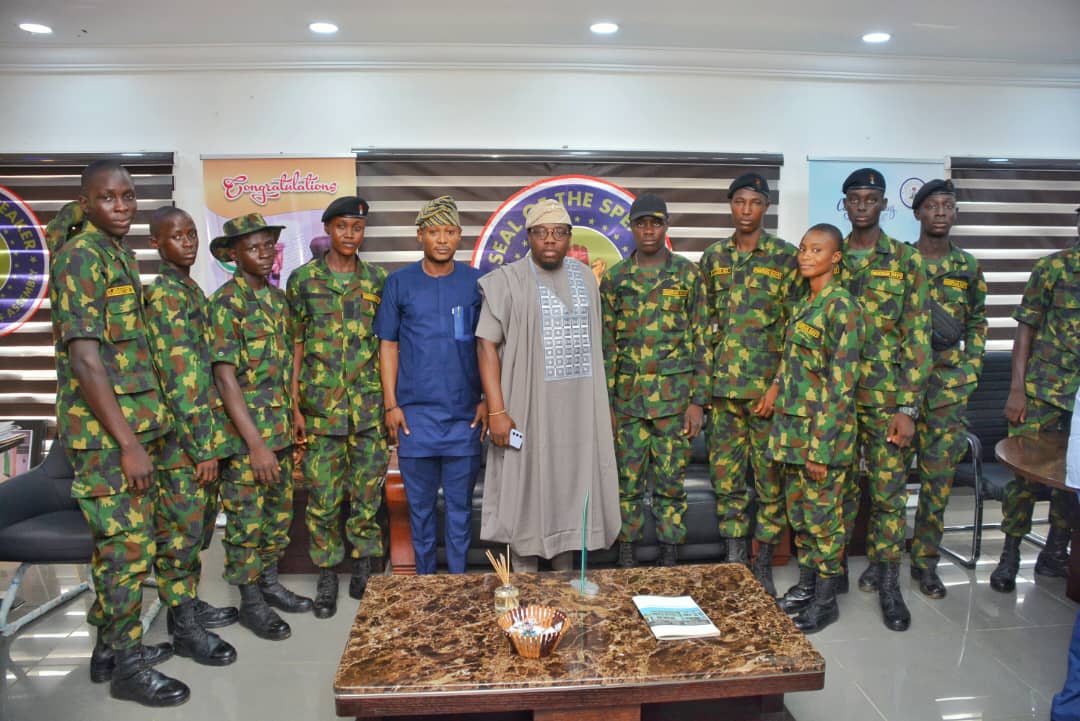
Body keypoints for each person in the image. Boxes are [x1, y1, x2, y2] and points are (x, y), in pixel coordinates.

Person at [48, 159, 189, 706]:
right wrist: (128, 443)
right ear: (86, 203)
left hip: (134, 429)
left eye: (128, 197)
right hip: (108, 441)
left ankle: (110, 651)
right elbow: (85, 359)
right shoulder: (81, 256)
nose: (122, 206)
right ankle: (128, 670)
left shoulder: (116, 253)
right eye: (108, 198)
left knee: (124, 552)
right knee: (127, 553)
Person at [476, 198, 621, 571]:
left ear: (569, 237)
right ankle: (524, 601)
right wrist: (496, 410)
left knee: (571, 495)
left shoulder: (586, 277)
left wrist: (600, 407)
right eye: (542, 233)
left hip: (577, 416)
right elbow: (485, 344)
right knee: (527, 497)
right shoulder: (506, 281)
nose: (551, 240)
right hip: (526, 410)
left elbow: (595, 346)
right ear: (529, 237)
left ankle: (563, 595)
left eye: (559, 232)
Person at [209, 213, 313, 641]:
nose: (265, 253)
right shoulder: (225, 304)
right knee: (246, 523)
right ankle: (250, 601)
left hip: (280, 431)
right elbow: (224, 378)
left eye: (269, 246)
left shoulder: (277, 301)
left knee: (276, 517)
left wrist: (295, 413)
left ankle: (269, 584)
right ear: (233, 256)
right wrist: (255, 444)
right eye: (254, 248)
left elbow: (288, 362)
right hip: (245, 440)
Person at [837, 167, 931, 632]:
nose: (862, 205)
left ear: (883, 205)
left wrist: (908, 407)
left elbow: (918, 337)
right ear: (845, 205)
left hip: (887, 400)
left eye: (870, 198)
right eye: (854, 198)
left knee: (890, 495)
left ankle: (890, 582)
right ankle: (831, 571)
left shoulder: (905, 262)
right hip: (837, 402)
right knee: (838, 490)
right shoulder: (830, 258)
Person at [698, 172, 801, 594]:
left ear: (766, 207)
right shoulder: (713, 258)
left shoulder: (785, 258)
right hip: (724, 396)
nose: (746, 210)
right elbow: (703, 328)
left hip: (766, 396)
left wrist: (778, 387)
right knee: (727, 482)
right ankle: (734, 558)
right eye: (739, 202)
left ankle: (763, 562)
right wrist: (701, 395)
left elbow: (797, 331)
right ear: (730, 206)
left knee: (769, 482)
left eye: (754, 202)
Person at [144, 206, 238, 665]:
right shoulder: (166, 297)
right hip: (184, 446)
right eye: (175, 236)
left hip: (201, 437)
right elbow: (182, 382)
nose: (187, 241)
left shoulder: (188, 288)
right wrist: (203, 449)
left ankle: (187, 604)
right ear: (156, 244)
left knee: (195, 533)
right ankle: (183, 628)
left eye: (191, 233)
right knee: (180, 537)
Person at [374, 196, 486, 574]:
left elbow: (490, 346)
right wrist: (392, 405)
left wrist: (488, 399)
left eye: (450, 232)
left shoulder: (477, 283)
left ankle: (456, 586)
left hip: (464, 419)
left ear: (460, 236)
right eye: (434, 232)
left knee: (459, 512)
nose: (442, 240)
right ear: (420, 235)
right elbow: (388, 345)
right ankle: (424, 586)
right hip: (415, 420)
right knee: (419, 513)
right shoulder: (399, 283)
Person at [287, 196, 387, 616]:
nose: (350, 235)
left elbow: (386, 347)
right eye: (342, 226)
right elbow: (294, 343)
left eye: (357, 227)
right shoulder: (303, 281)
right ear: (328, 229)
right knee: (323, 499)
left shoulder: (378, 280)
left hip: (366, 408)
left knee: (367, 494)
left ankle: (363, 566)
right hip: (319, 409)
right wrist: (293, 404)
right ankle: (327, 573)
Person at [600, 193, 709, 568]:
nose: (648, 230)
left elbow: (701, 339)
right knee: (626, 487)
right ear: (631, 228)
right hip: (629, 405)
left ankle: (670, 559)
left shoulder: (688, 275)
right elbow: (607, 346)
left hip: (674, 404)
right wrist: (609, 406)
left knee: (670, 487)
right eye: (641, 223)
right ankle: (627, 558)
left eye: (656, 223)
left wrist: (698, 402)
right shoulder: (615, 279)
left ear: (666, 226)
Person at [765, 223, 864, 633]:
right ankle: (807, 588)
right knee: (802, 518)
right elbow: (795, 370)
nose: (805, 256)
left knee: (824, 523)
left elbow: (841, 386)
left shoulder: (842, 307)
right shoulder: (807, 303)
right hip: (791, 434)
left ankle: (825, 603)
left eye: (816, 250)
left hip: (820, 440)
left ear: (835, 258)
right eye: (803, 249)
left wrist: (820, 451)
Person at [991, 204, 1080, 592]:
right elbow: (1024, 330)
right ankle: (1010, 553)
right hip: (1043, 392)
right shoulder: (1054, 268)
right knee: (1024, 480)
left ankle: (1055, 553)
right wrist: (1017, 389)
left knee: (1071, 481)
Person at [907, 180, 988, 598]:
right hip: (898, 388)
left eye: (948, 206)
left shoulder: (968, 267)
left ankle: (925, 562)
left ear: (955, 214)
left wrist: (969, 370)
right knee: (884, 481)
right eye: (932, 206)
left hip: (946, 389)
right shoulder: (899, 261)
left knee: (937, 480)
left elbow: (977, 323)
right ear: (918, 213)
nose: (940, 213)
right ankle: (882, 563)